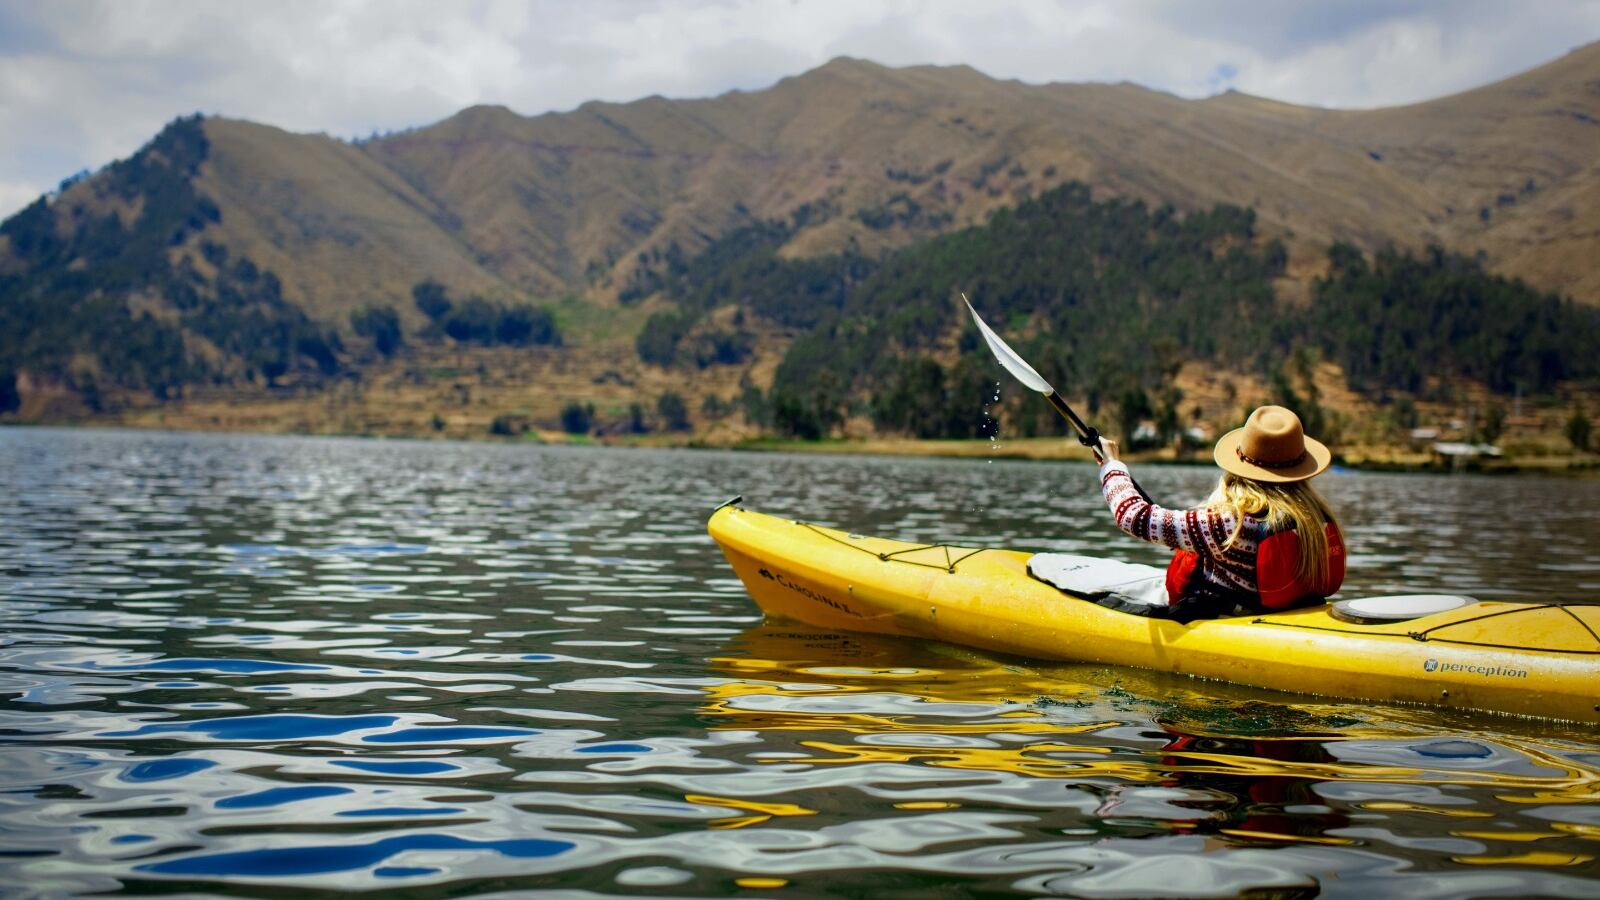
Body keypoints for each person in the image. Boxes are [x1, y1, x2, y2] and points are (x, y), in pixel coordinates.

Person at [1093, 405, 1345, 621]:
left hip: (1230, 619)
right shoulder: (1315, 517)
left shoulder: (1228, 522)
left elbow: (1133, 517)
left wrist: (1112, 466)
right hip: (1281, 615)